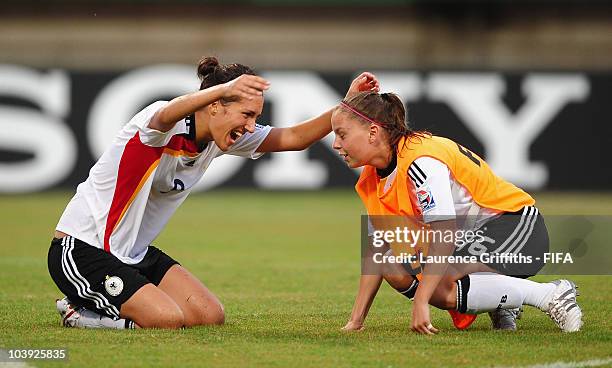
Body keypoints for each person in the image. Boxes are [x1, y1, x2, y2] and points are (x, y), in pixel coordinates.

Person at [48, 57, 380, 329]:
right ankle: (78, 313)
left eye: (256, 117)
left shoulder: (220, 139)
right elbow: (167, 112)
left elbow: (294, 137)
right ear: (215, 106)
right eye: (247, 114)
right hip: (82, 248)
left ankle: (108, 301)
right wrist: (223, 89)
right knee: (165, 320)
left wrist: (345, 106)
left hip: (132, 253)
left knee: (209, 315)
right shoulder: (156, 126)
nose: (251, 126)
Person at [332, 91, 583, 334]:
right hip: (473, 240)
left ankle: (551, 294)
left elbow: (445, 233)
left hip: (517, 227)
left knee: (437, 283)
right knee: (392, 266)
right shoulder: (372, 177)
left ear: (373, 132)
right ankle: (503, 300)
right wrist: (356, 320)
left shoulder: (420, 161)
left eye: (342, 134)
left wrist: (421, 301)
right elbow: (377, 249)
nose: (335, 144)